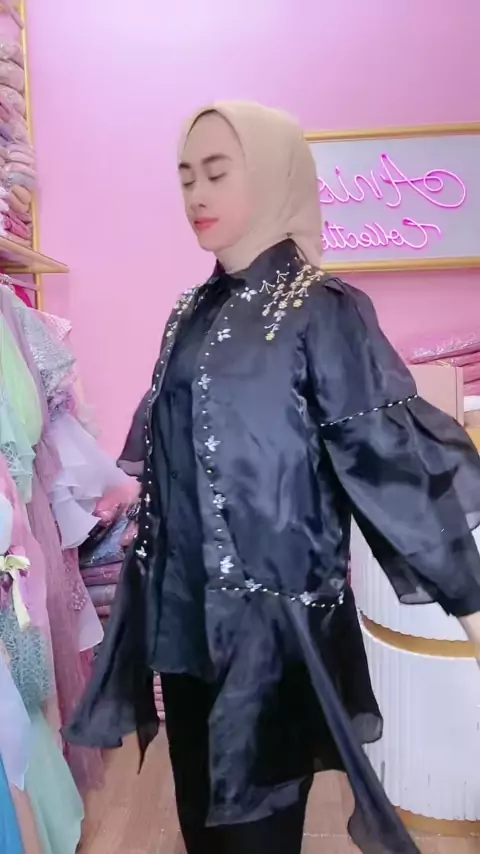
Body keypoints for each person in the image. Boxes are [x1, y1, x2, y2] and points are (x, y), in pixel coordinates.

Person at [66, 102, 480, 854]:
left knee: (258, 834)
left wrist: (471, 604)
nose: (196, 195)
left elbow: (391, 466)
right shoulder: (187, 315)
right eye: (185, 177)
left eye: (217, 173)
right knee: (201, 823)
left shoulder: (324, 312)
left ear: (273, 175)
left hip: (275, 636)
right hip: (182, 629)